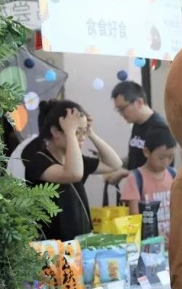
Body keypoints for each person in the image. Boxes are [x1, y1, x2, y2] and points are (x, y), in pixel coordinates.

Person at [25, 100, 123, 241]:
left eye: (84, 132)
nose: (82, 138)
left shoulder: (77, 161)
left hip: (80, 246)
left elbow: (115, 164)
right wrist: (71, 132)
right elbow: (73, 174)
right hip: (53, 251)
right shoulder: (38, 162)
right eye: (77, 132)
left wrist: (91, 133)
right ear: (55, 132)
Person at [121, 125, 177, 245]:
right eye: (161, 157)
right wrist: (157, 234)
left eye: (170, 157)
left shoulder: (174, 175)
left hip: (173, 240)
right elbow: (135, 218)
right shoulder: (136, 179)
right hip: (149, 243)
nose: (166, 162)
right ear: (146, 152)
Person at [111, 81, 169, 171]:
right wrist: (114, 162)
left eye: (123, 108)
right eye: (118, 110)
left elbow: (160, 170)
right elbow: (136, 160)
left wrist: (124, 175)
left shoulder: (160, 129)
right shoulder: (137, 123)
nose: (121, 114)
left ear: (139, 102)